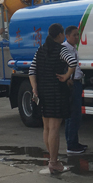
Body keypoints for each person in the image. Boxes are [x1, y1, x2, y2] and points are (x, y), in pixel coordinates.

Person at [29, 23, 77, 175]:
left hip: (43, 92)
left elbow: (32, 70)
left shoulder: (40, 50)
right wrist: (66, 76)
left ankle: (52, 160)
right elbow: (73, 62)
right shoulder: (61, 49)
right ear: (60, 35)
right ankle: (54, 163)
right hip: (57, 92)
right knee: (55, 128)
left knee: (47, 128)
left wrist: (35, 88)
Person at [62, 25, 87, 155]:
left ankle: (74, 142)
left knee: (74, 115)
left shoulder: (74, 48)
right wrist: (66, 79)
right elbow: (59, 67)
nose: (77, 37)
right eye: (74, 35)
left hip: (77, 82)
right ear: (67, 36)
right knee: (73, 115)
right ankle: (71, 145)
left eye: (78, 35)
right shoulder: (64, 49)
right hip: (72, 84)